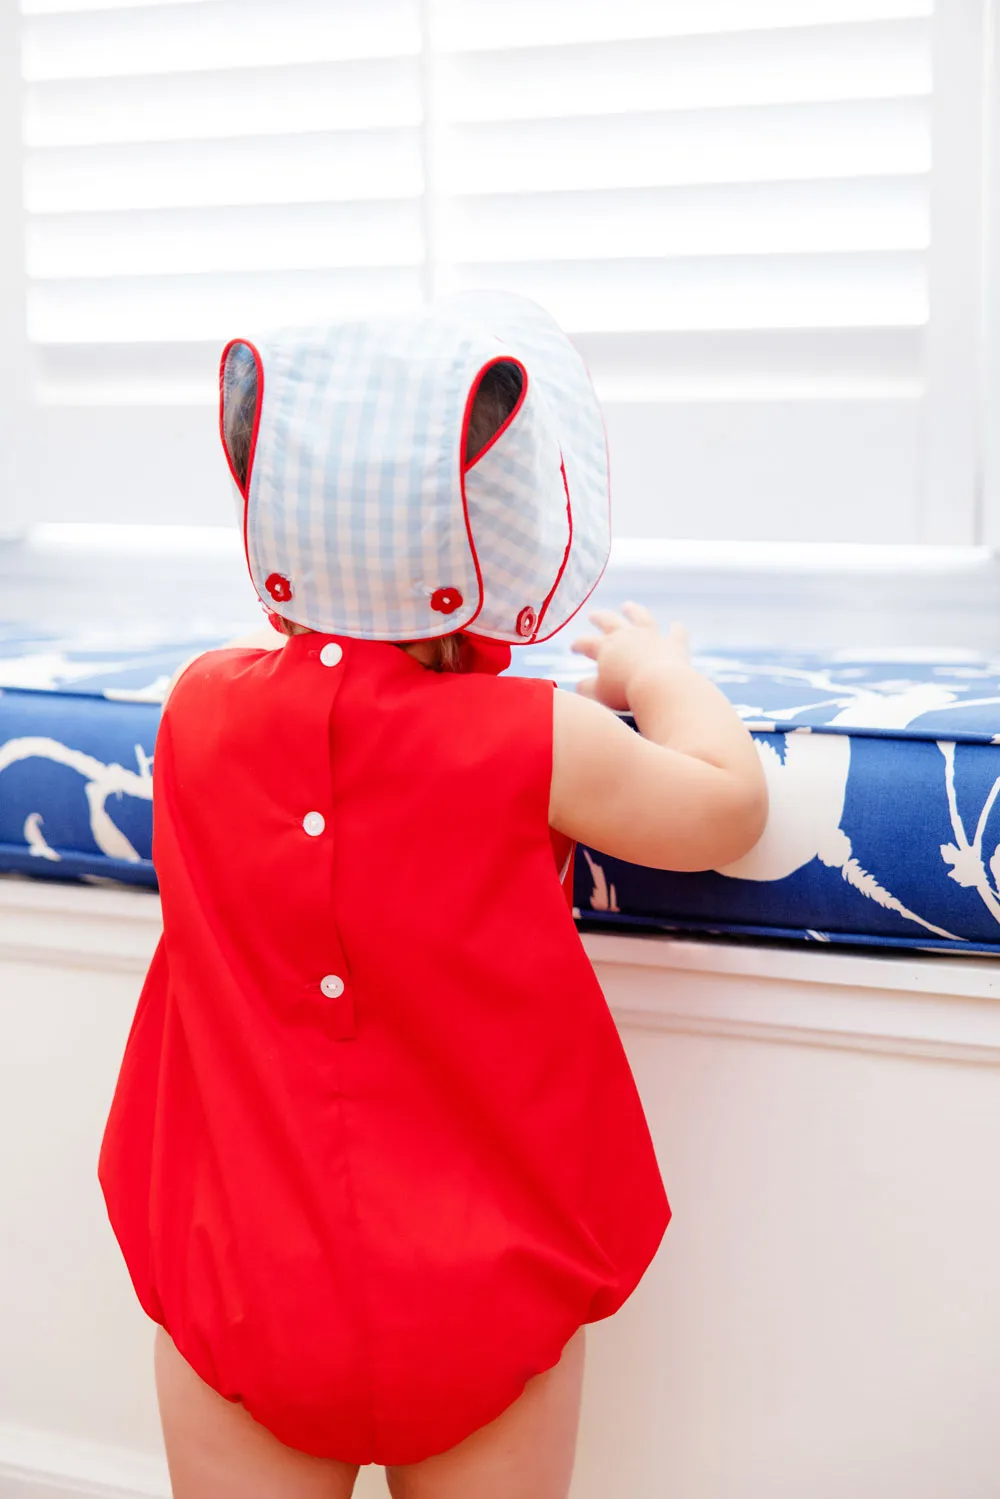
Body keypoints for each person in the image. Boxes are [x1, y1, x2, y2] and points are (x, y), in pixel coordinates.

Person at [99, 293, 767, 1499]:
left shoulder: (194, 709)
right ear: (507, 537)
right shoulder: (537, 738)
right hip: (474, 1288)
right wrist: (659, 673)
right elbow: (725, 808)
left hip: (241, 1273)